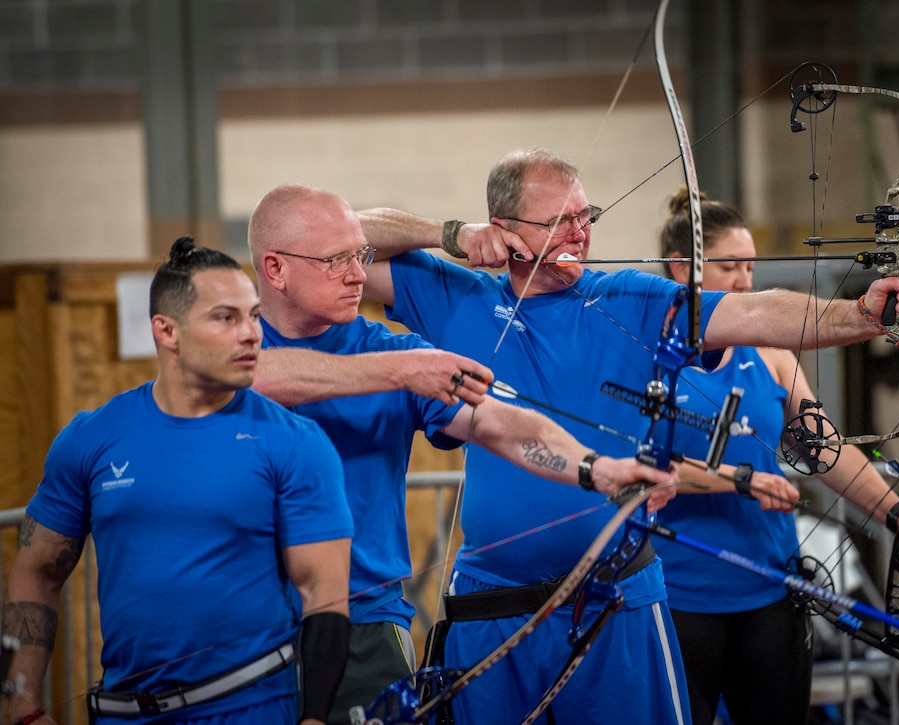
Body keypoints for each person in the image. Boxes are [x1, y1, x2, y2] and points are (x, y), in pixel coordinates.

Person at [353, 147, 899, 724]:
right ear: (504, 231)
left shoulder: (628, 299)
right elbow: (336, 240)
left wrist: (862, 314)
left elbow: (757, 314)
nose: (581, 234)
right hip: (493, 602)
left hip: (617, 600)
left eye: (587, 217)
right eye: (561, 221)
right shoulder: (454, 294)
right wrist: (451, 233)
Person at [246, 183, 677, 724]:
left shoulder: (394, 352)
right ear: (276, 270)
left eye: (359, 257)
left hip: (365, 627)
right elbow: (254, 375)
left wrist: (595, 468)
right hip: (239, 627)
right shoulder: (232, 348)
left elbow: (499, 424)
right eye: (337, 261)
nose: (359, 274)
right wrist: (403, 365)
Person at [1, 238, 353, 725]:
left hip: (251, 706)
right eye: (226, 318)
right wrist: (20, 701)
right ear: (166, 331)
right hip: (124, 712)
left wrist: (314, 720)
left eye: (253, 316)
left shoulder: (296, 444)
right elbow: (38, 569)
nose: (251, 334)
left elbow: (325, 596)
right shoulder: (91, 437)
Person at [653, 189, 899, 725]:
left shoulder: (770, 352)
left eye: (750, 266)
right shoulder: (643, 353)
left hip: (770, 589)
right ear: (682, 268)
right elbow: (631, 465)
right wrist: (737, 479)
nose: (744, 281)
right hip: (678, 595)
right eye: (729, 266)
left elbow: (826, 451)